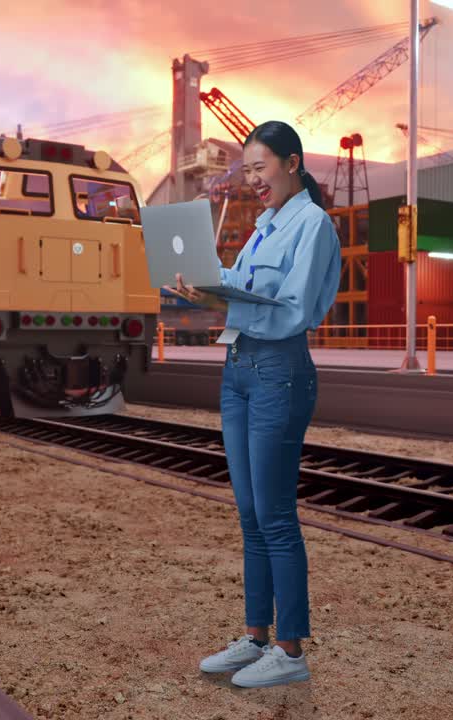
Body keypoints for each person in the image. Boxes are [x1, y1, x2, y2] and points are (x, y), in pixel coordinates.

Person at [164, 120, 341, 689]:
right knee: (248, 515)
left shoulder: (311, 224)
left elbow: (293, 310)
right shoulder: (265, 225)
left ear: (292, 163)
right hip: (238, 369)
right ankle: (256, 637)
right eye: (247, 172)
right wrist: (206, 290)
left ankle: (290, 651)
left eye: (260, 169)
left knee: (275, 515)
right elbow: (244, 289)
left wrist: (229, 300)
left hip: (277, 372)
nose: (253, 181)